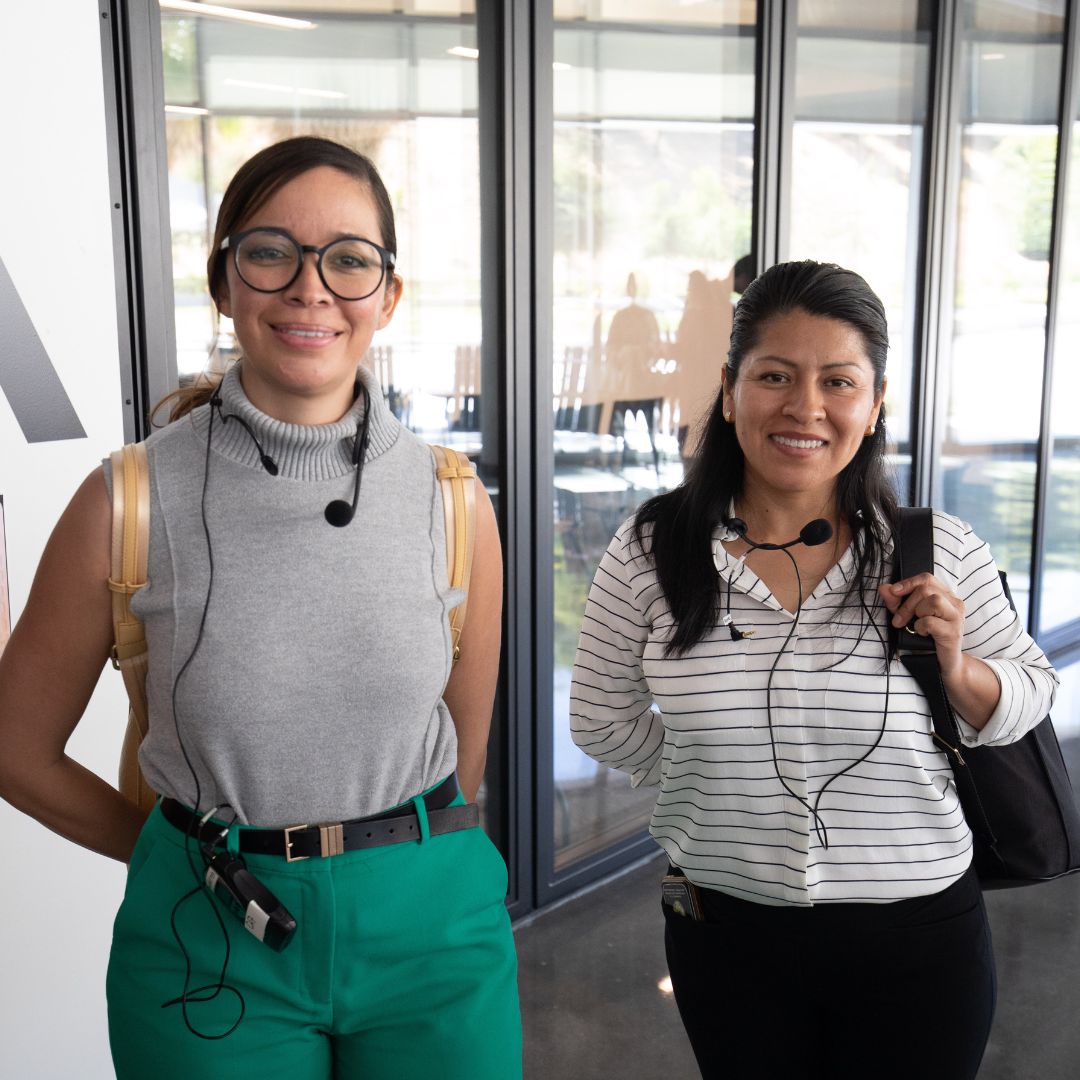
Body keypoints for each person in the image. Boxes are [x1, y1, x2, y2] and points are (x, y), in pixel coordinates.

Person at [0, 136, 521, 1079]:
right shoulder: (129, 500)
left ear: (388, 295)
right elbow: (13, 748)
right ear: (226, 282)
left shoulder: (451, 499)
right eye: (271, 252)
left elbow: (461, 753)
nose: (310, 288)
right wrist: (176, 862)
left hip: (433, 933)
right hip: (208, 943)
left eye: (349, 259)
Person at [569, 259, 1058, 1080]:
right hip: (725, 933)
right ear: (729, 392)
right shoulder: (655, 548)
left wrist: (958, 663)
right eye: (775, 376)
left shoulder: (935, 548)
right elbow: (599, 718)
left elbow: (1029, 696)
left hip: (919, 940)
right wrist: (715, 774)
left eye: (838, 381)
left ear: (873, 406)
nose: (806, 407)